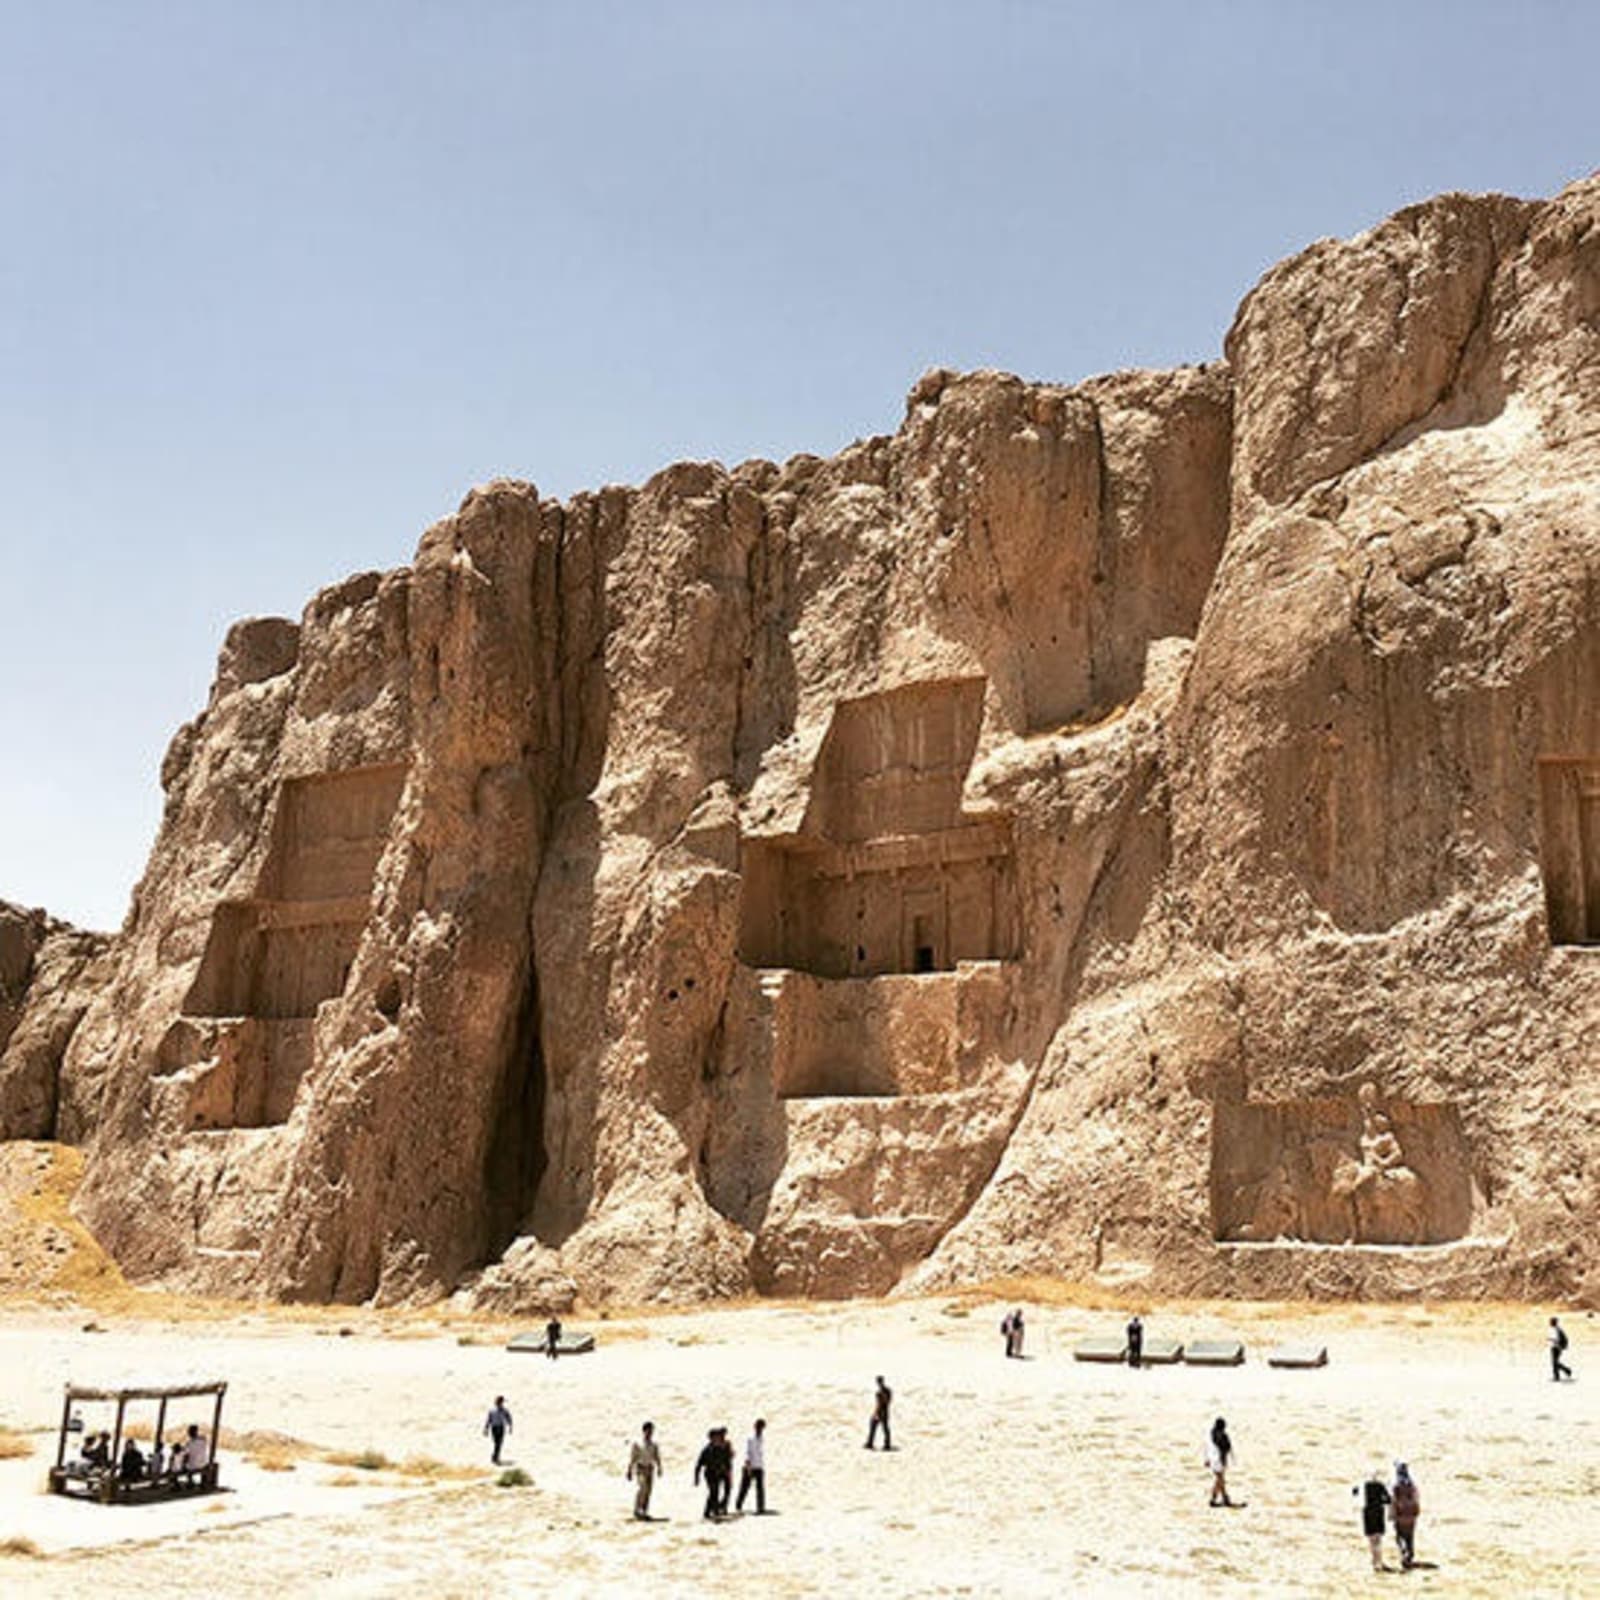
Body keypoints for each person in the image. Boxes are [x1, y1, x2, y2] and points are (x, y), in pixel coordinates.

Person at [694, 1427, 734, 1520]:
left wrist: (727, 1471)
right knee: (713, 1492)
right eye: (715, 1437)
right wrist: (696, 1478)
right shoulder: (707, 1449)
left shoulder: (721, 1448)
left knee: (716, 1492)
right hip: (710, 1474)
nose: (717, 1438)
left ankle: (714, 1510)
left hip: (719, 1473)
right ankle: (709, 1512)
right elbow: (699, 1464)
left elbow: (726, 1461)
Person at [1357, 1468, 1391, 1571]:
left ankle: (1374, 1561)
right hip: (1378, 1512)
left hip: (1367, 1512)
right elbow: (1388, 1500)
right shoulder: (1380, 1486)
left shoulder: (1364, 1485)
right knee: (1378, 1539)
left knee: (1371, 1539)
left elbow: (1356, 1495)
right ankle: (1379, 1561)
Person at [627, 1421, 662, 1520]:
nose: (650, 1433)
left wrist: (659, 1467)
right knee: (642, 1488)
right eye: (648, 1431)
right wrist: (629, 1470)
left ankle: (644, 1510)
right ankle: (637, 1509)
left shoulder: (654, 1444)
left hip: (650, 1468)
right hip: (640, 1468)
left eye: (652, 1431)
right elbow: (633, 1457)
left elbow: (656, 1456)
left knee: (648, 1491)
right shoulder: (638, 1443)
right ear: (644, 1431)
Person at [1390, 1462, 1420, 1570]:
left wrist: (1392, 1514)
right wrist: (1416, 1511)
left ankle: (1404, 1553)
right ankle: (1410, 1554)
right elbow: (1416, 1498)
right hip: (1411, 1513)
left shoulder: (1396, 1485)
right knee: (1410, 1536)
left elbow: (1393, 1500)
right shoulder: (1412, 1485)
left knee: (1399, 1536)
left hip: (1401, 1513)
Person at [736, 1418, 767, 1514]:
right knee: (745, 1487)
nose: (760, 1429)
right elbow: (747, 1452)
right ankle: (738, 1504)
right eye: (758, 1427)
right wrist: (748, 1465)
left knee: (760, 1488)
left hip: (759, 1465)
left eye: (761, 1427)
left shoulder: (762, 1438)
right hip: (749, 1466)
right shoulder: (750, 1438)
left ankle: (760, 1507)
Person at [1205, 1418, 1233, 1507]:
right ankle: (1216, 1499)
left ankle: (1223, 1498)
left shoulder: (1211, 1434)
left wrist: (1207, 1459)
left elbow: (1208, 1447)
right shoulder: (1222, 1436)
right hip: (1219, 1460)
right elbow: (1225, 1449)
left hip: (1213, 1459)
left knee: (1220, 1479)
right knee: (1220, 1479)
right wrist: (1224, 1460)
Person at [865, 1376, 893, 1450]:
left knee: (883, 1428)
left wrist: (876, 1413)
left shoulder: (884, 1391)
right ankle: (871, 1443)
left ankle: (886, 1444)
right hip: (882, 1412)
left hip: (882, 1412)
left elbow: (884, 1402)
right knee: (878, 1427)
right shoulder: (882, 1391)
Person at [484, 1395, 513, 1464]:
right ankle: (495, 1456)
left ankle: (495, 1457)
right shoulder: (492, 1410)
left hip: (501, 1427)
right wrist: (486, 1428)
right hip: (494, 1427)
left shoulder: (505, 1410)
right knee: (496, 1442)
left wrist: (510, 1427)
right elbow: (489, 1420)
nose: (501, 1403)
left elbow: (509, 1418)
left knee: (499, 1443)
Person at [1550, 1316, 1574, 1381]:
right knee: (1555, 1362)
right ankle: (1558, 1375)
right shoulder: (1556, 1329)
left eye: (1551, 1321)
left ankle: (1566, 1371)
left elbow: (1557, 1339)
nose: (1550, 1323)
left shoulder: (1556, 1330)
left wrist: (1552, 1340)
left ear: (1554, 1322)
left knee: (1555, 1362)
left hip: (1556, 1347)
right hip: (1555, 1347)